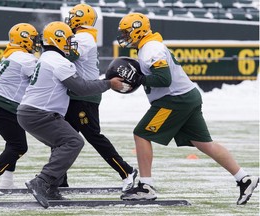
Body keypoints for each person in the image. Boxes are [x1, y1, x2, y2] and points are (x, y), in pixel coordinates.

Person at [116, 13, 259, 205]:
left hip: (175, 100)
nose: (124, 37)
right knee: (204, 143)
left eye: (127, 32)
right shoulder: (149, 46)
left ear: (138, 30)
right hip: (186, 96)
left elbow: (164, 79)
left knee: (141, 134)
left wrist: (139, 79)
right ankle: (244, 179)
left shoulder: (151, 49)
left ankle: (145, 186)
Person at [16, 21, 127, 209]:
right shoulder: (58, 61)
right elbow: (82, 88)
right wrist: (109, 83)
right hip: (39, 113)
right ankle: (42, 181)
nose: (69, 44)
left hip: (30, 111)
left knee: (63, 143)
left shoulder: (47, 57)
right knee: (74, 142)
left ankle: (51, 187)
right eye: (67, 39)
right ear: (56, 38)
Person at [61, 3, 137, 192]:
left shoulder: (83, 36)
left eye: (72, 16)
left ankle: (126, 171)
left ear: (80, 18)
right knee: (63, 139)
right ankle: (58, 180)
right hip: (78, 94)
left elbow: (69, 55)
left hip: (85, 95)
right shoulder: (81, 36)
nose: (69, 20)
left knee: (92, 136)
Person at [0, 23, 40, 195]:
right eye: (33, 38)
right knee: (19, 145)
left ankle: (7, 180)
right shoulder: (26, 59)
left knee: (13, 141)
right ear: (24, 39)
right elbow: (42, 77)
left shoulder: (13, 54)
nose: (35, 42)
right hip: (2, 104)